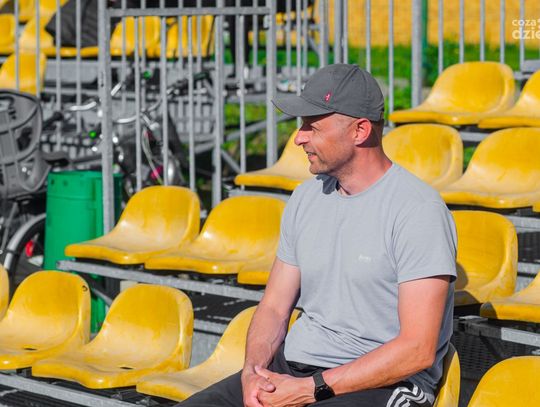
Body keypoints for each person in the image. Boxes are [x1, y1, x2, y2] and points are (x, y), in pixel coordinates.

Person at [178, 64, 457, 407]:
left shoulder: (418, 210)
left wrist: (310, 389)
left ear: (359, 131)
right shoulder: (306, 197)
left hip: (382, 383)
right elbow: (274, 308)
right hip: (294, 368)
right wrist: (253, 372)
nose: (299, 137)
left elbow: (417, 349)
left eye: (312, 126)